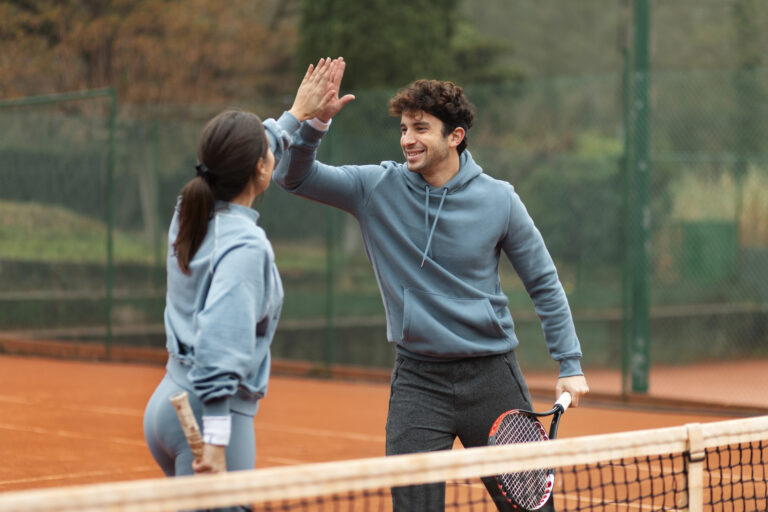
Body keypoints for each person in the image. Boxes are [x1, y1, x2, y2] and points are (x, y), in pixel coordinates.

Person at [272, 65, 590, 511]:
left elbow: (543, 282)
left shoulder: (499, 199)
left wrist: (569, 362)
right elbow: (292, 177)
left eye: (420, 128)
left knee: (531, 507)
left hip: (493, 378)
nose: (407, 139)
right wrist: (316, 123)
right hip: (418, 382)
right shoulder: (375, 187)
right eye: (404, 128)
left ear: (455, 136)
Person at [142, 58, 338, 509]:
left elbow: (244, 154)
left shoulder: (188, 211)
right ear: (263, 170)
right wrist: (216, 440)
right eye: (268, 155)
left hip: (168, 401)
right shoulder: (247, 247)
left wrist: (296, 115)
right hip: (212, 418)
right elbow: (222, 341)